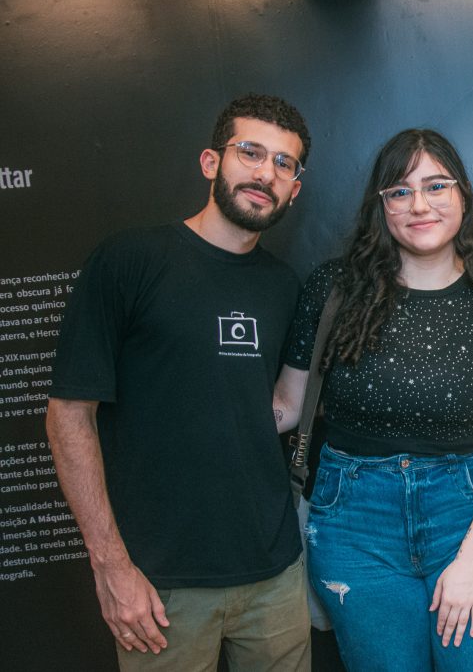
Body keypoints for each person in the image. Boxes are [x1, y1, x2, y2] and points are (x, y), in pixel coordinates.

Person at [46, 93, 313, 671]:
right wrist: (111, 565)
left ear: (295, 187)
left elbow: (266, 409)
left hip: (274, 576)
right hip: (160, 586)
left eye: (283, 164)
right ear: (210, 162)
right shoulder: (128, 261)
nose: (265, 172)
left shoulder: (284, 285)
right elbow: (69, 414)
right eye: (250, 152)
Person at [273, 128, 473, 672]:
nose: (418, 204)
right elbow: (285, 406)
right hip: (354, 522)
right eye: (399, 191)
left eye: (436, 186)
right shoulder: (333, 290)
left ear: (463, 195)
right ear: (382, 207)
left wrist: (471, 562)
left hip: (470, 516)